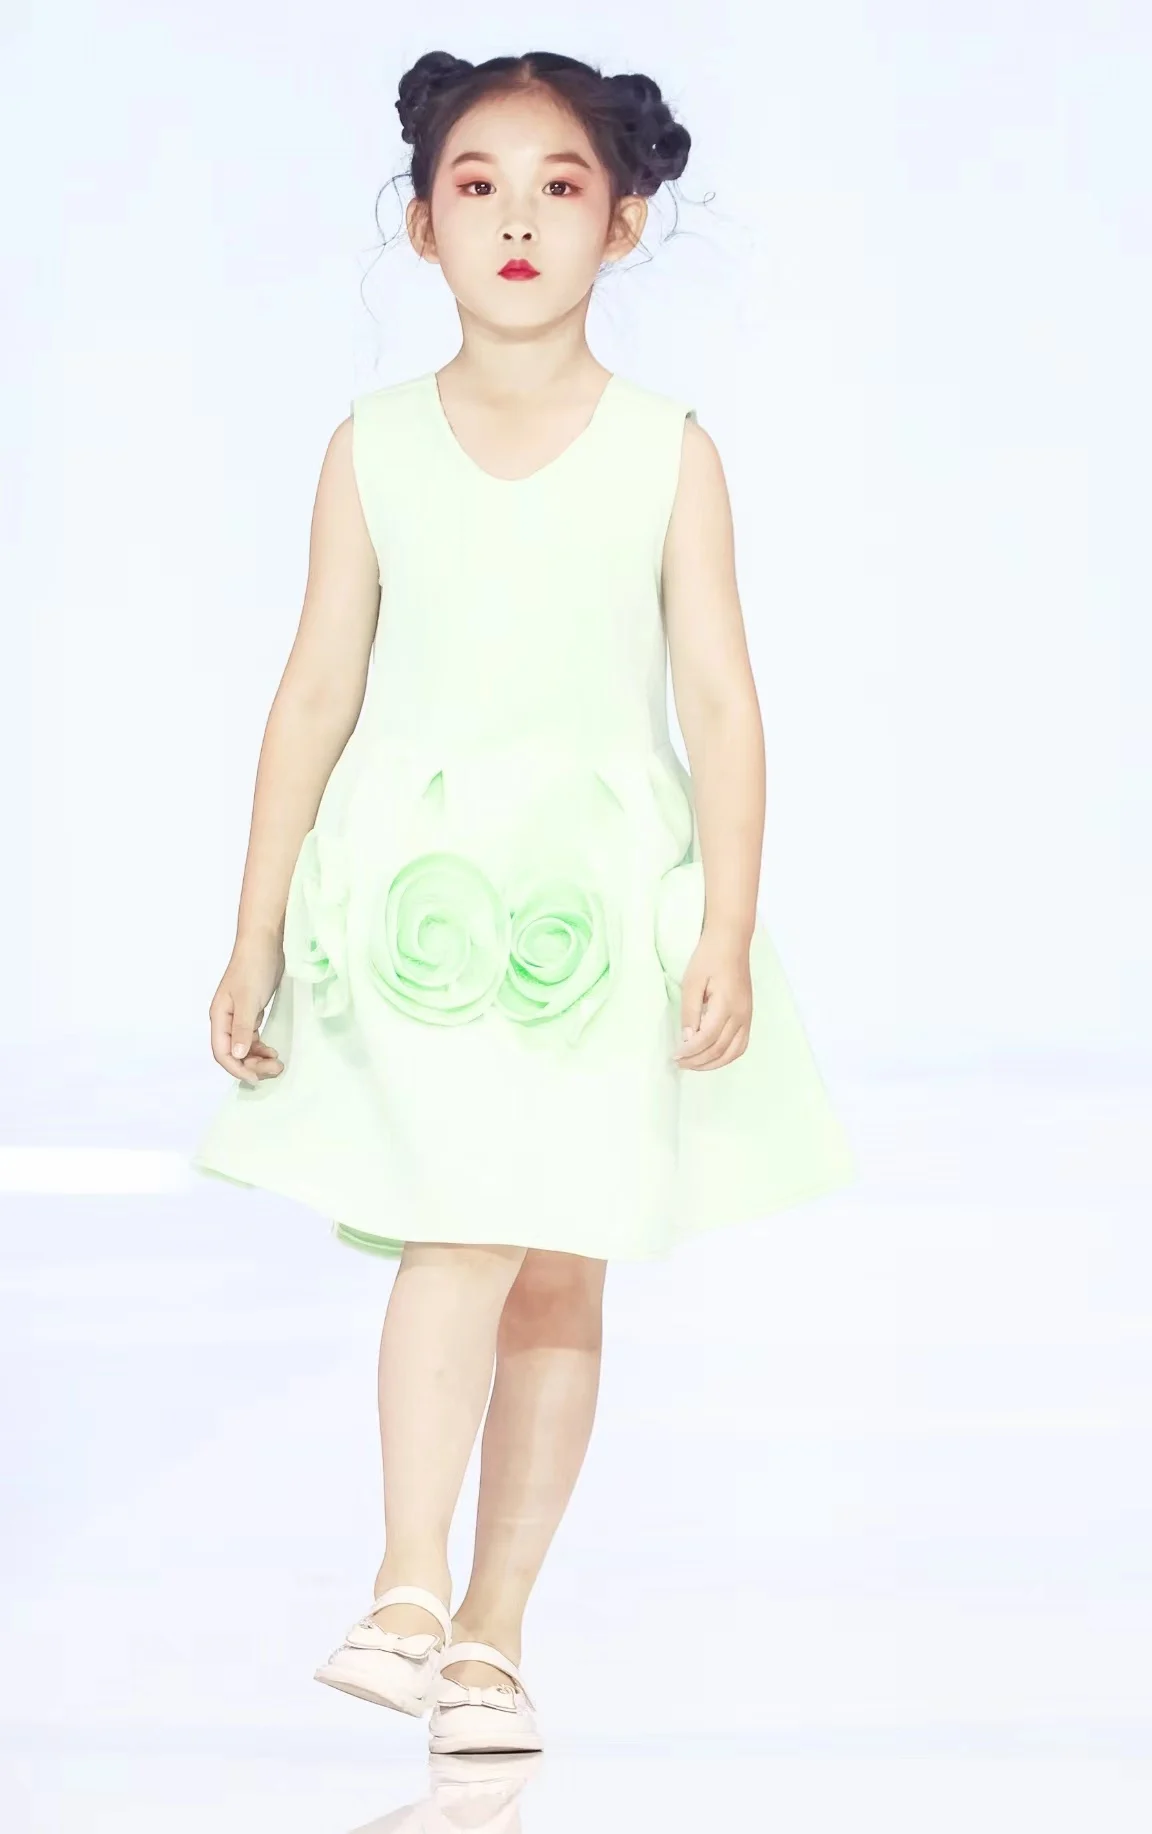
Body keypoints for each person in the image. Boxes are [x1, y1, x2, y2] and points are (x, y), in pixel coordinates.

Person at [191, 49, 856, 1758]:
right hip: (418, 898)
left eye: (559, 187)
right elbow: (314, 690)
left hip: (600, 905)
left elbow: (721, 699)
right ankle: (409, 1580)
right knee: (457, 1225)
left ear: (621, 225)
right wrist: (254, 925)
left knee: (560, 1266)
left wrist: (726, 923)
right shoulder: (371, 448)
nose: (515, 219)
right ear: (421, 225)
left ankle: (491, 1631)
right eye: (474, 184)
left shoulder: (667, 453)